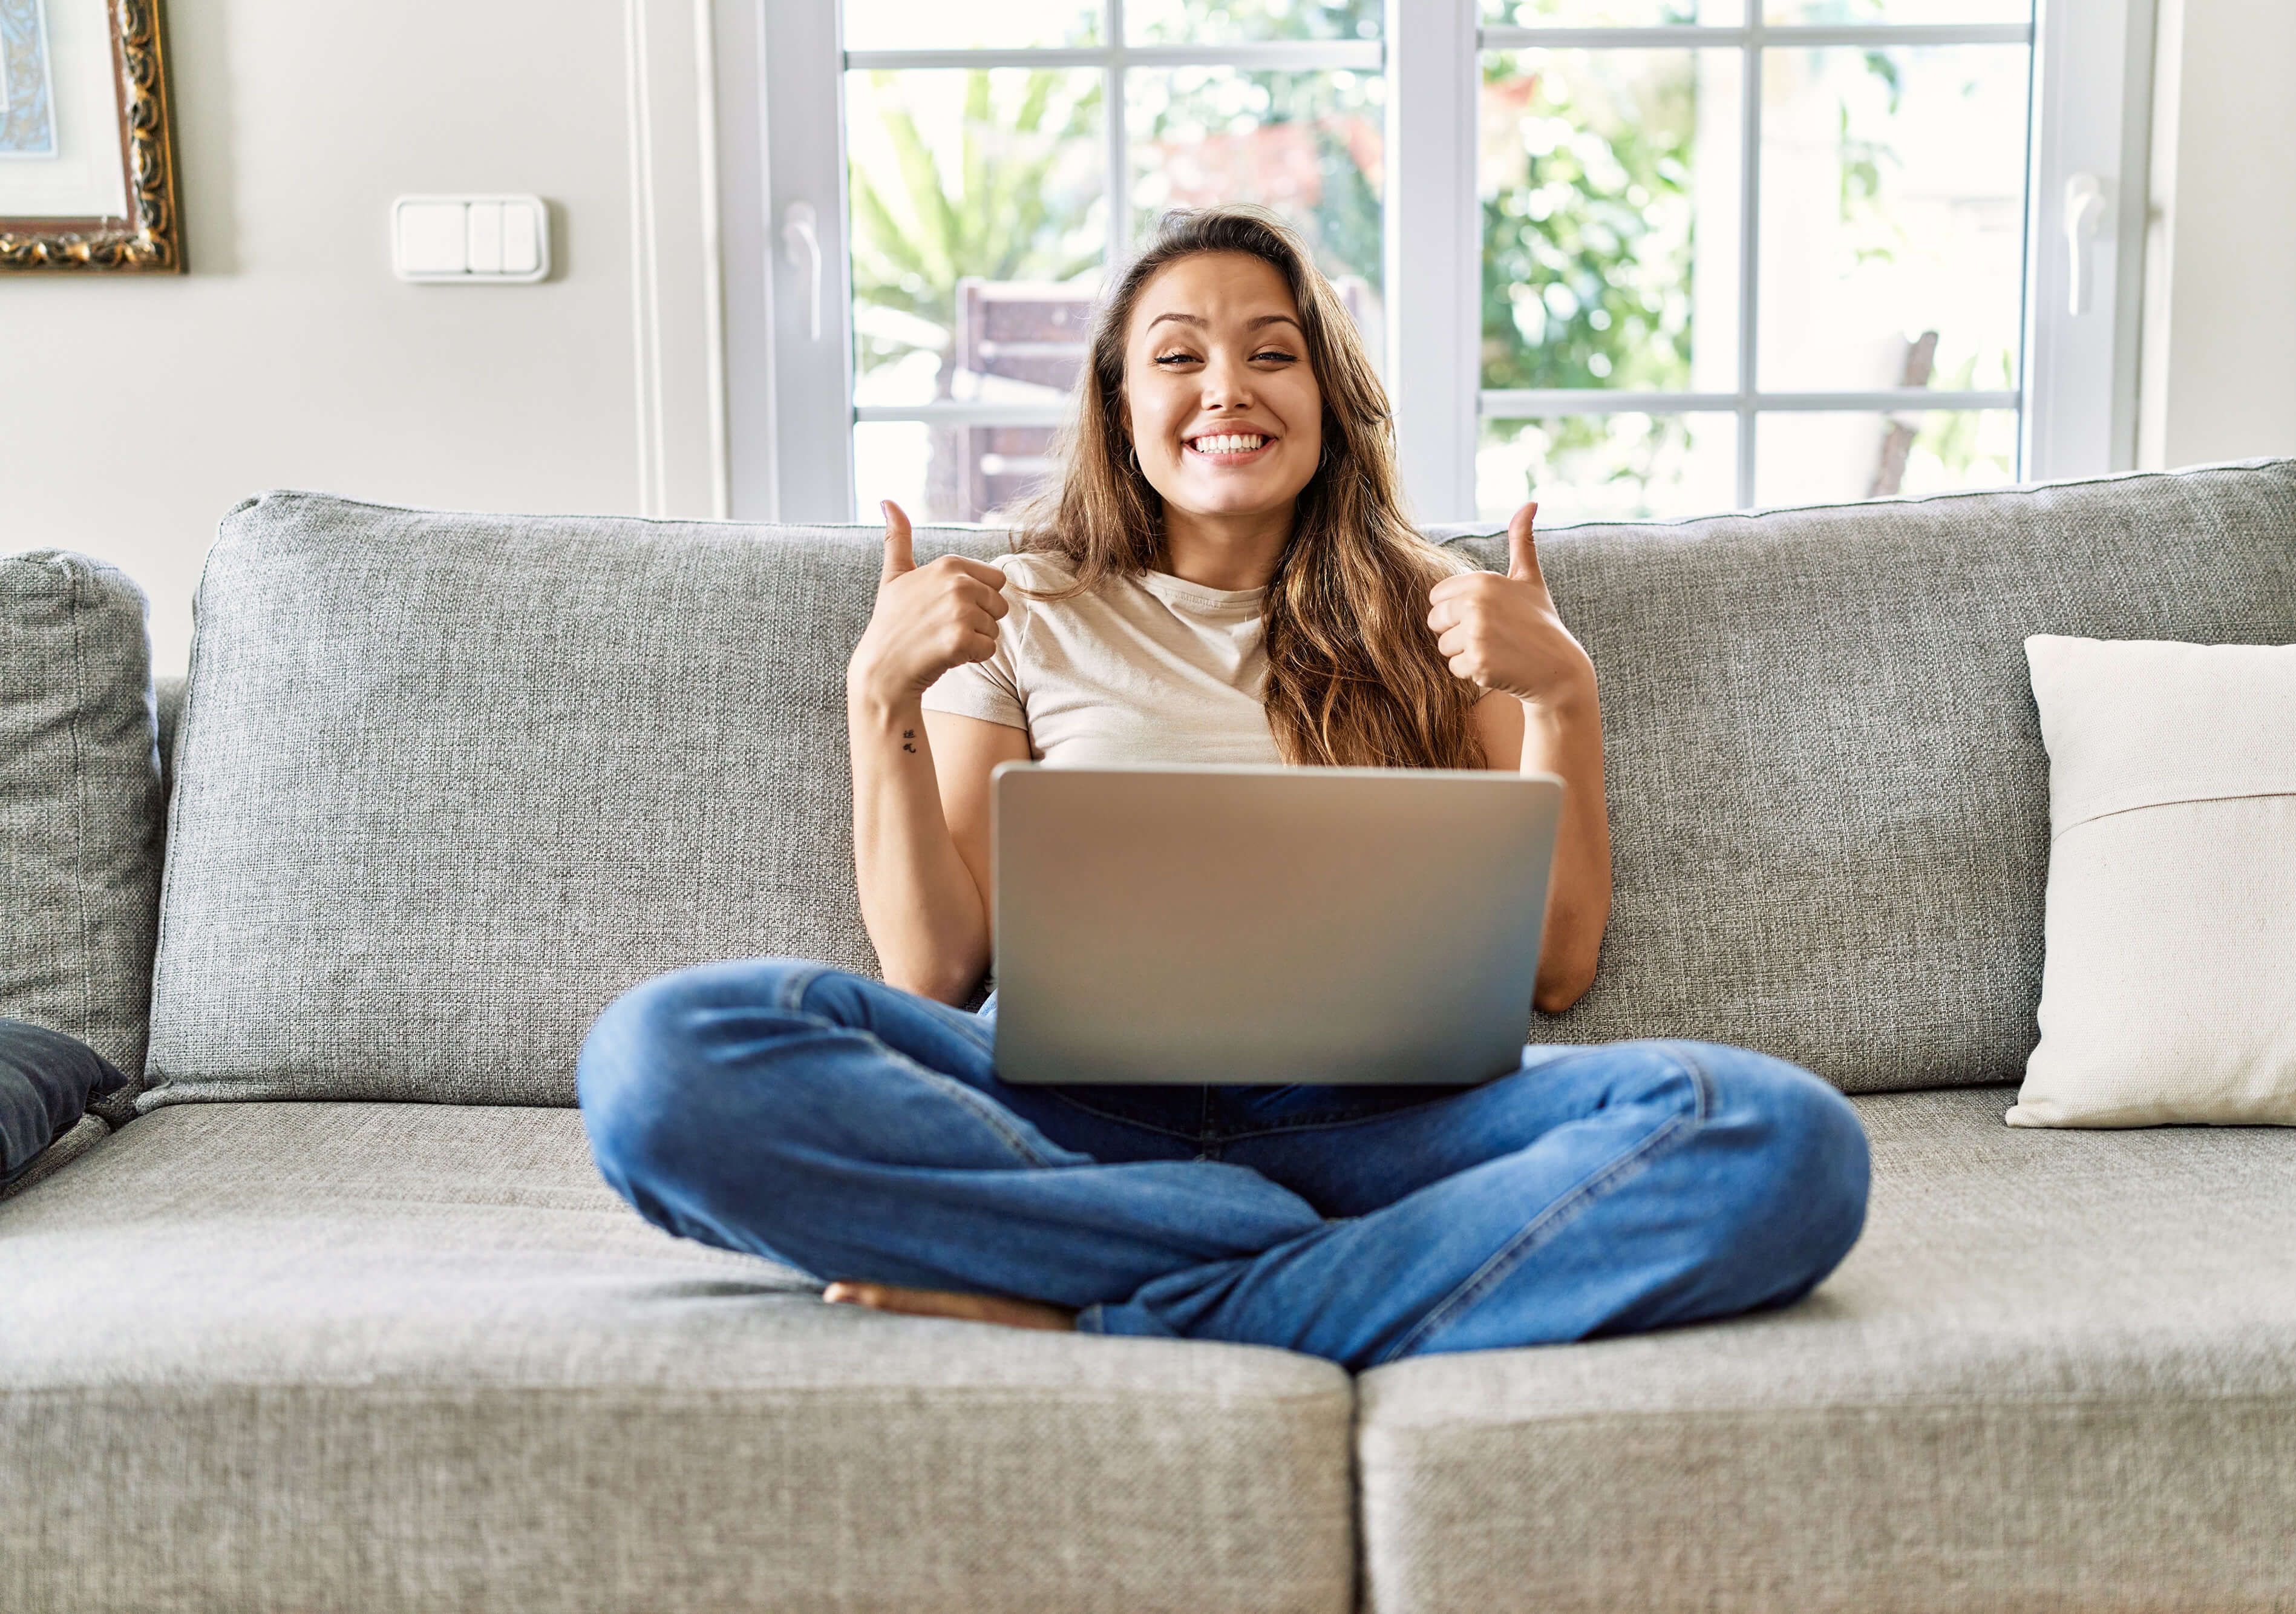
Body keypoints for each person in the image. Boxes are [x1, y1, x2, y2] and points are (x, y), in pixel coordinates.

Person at [576, 206, 1869, 1371]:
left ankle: (1121, 1300)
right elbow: (934, 968)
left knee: (1774, 1135)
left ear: (1325, 390)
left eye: (1270, 349)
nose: (1224, 388)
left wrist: (1562, 694)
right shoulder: (1020, 607)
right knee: (658, 1058)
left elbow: (1554, 968)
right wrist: (878, 699)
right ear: (1119, 402)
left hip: (1384, 1125)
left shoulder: (1444, 614)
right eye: (1177, 354)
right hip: (1067, 1119)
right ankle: (1279, 1249)